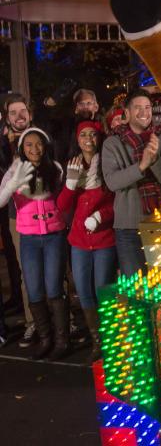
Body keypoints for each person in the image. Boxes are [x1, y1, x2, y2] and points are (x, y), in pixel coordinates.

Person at [0, 128, 69, 359]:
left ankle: (62, 341)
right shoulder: (14, 170)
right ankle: (45, 338)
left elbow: (65, 199)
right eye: (28, 145)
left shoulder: (55, 168)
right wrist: (13, 183)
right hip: (28, 238)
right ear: (21, 148)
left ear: (45, 145)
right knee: (34, 289)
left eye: (38, 144)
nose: (34, 149)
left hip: (54, 236)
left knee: (54, 288)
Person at [102, 89, 161, 277]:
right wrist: (142, 165)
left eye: (147, 107)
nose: (144, 112)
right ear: (127, 113)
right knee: (138, 290)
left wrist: (155, 161)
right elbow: (113, 182)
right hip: (129, 228)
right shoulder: (112, 144)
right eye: (138, 108)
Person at [56, 120, 116, 361]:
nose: (88, 139)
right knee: (84, 291)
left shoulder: (107, 165)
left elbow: (116, 199)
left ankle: (111, 340)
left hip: (104, 240)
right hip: (79, 242)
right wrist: (71, 185)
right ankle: (97, 341)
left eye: (93, 134)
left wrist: (101, 215)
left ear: (99, 138)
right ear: (77, 139)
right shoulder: (72, 165)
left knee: (103, 290)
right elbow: (62, 206)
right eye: (83, 135)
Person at [1, 94, 37, 348]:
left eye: (22, 111)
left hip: (47, 211)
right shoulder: (2, 145)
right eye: (13, 113)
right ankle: (33, 322)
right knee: (27, 269)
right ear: (6, 117)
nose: (18, 116)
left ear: (29, 113)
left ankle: (62, 320)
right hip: (17, 214)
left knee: (56, 270)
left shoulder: (42, 138)